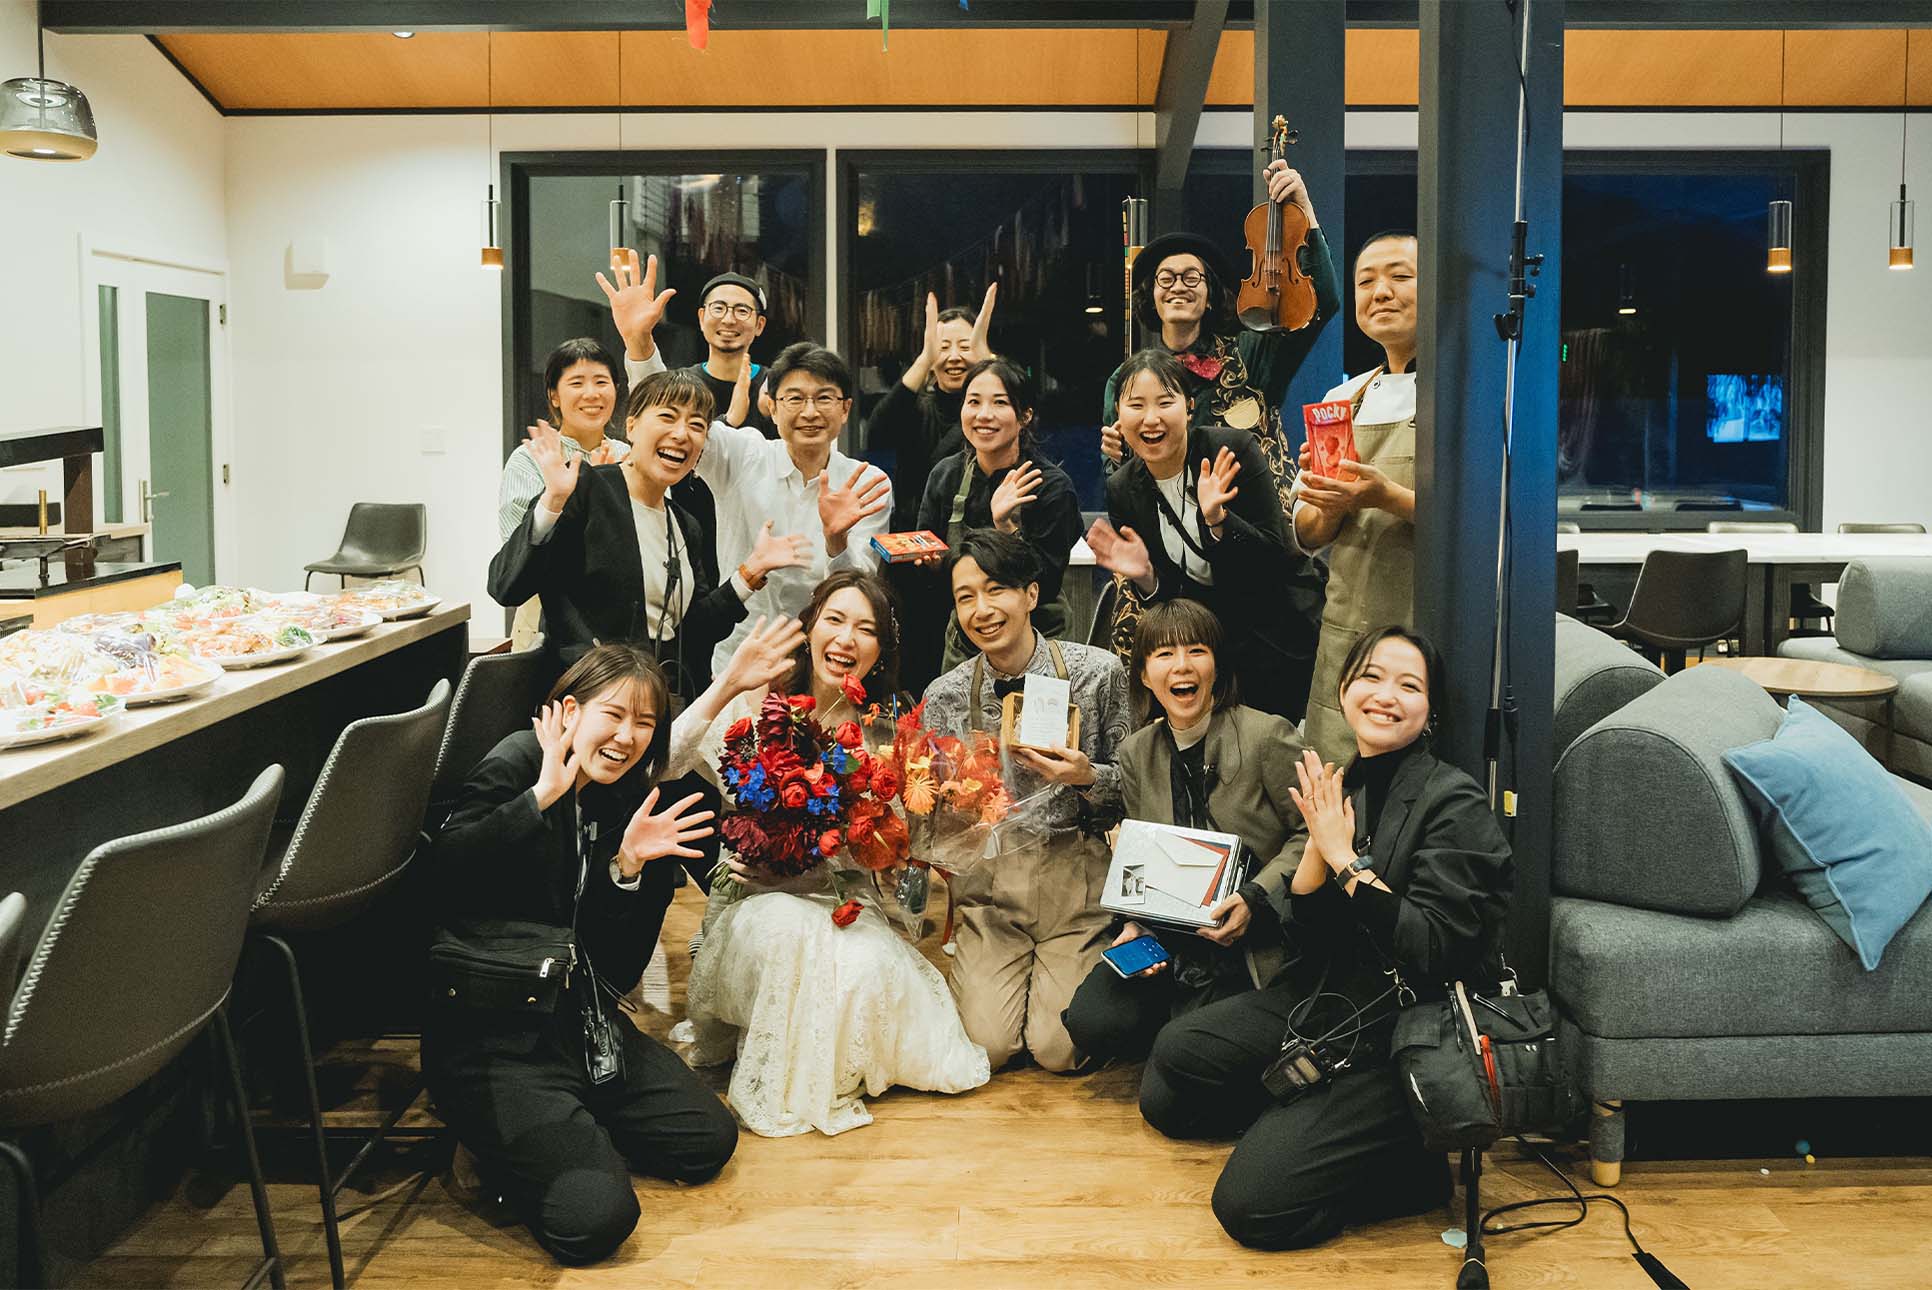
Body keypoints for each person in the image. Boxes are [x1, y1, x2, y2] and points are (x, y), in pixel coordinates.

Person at [423, 630, 804, 1266]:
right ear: (570, 711)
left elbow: (615, 964)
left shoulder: (624, 797)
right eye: (615, 714)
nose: (628, 736)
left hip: (579, 1023)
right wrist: (539, 799)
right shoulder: (519, 763)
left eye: (644, 724)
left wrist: (627, 870)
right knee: (596, 1222)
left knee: (706, 1141)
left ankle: (565, 1127)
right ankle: (491, 1132)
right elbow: (442, 875)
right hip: (495, 1039)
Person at [1135, 625, 1511, 1251]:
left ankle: (1411, 1171)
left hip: (1405, 1029)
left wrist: (1344, 859)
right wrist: (1316, 847)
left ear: (1431, 710)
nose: (1385, 695)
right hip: (1331, 996)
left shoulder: (1455, 802)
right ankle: (1305, 1117)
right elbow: (1313, 934)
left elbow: (1434, 948)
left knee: (1250, 1208)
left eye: (1408, 685)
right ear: (1343, 690)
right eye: (1371, 677)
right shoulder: (1348, 784)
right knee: (1169, 1082)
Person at [663, 570, 992, 1137]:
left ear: (880, 650)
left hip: (843, 902)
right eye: (834, 620)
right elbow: (664, 762)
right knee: (786, 936)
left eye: (865, 629)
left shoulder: (883, 733)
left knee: (867, 972)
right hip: (752, 899)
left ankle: (818, 1070)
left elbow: (905, 846)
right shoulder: (757, 703)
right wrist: (726, 684)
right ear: (810, 627)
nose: (846, 639)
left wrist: (956, 810)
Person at [920, 528, 1131, 1073]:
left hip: (1074, 887)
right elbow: (931, 814)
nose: (982, 610)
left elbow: (1135, 789)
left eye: (996, 590)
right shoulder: (942, 697)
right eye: (966, 597)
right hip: (990, 897)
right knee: (987, 1046)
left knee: (1059, 1048)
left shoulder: (1097, 673)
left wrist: (1088, 777)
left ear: (1031, 594)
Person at [1061, 600, 1309, 1065]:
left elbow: (1310, 835)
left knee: (1186, 1048)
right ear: (1144, 675)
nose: (1182, 666)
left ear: (1216, 666)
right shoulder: (1136, 752)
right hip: (1174, 938)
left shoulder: (1267, 735)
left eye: (1196, 650)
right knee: (1091, 1022)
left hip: (1254, 934)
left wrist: (1255, 897)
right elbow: (1145, 854)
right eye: (1164, 654)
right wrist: (1136, 921)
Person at [488, 367, 808, 690]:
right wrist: (552, 502)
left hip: (658, 702)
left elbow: (693, 632)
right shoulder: (586, 489)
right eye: (668, 417)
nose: (682, 434)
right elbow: (506, 586)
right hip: (589, 701)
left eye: (697, 425)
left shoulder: (684, 524)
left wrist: (751, 571)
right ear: (631, 426)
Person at [626, 341, 893, 682]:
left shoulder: (867, 482)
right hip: (738, 661)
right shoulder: (744, 454)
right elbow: (672, 414)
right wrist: (640, 344)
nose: (810, 412)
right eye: (795, 398)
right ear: (772, 407)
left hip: (825, 667)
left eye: (824, 398)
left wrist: (836, 540)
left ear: (845, 409)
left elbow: (860, 591)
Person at [1087, 349, 1324, 723]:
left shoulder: (1232, 451)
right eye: (1136, 405)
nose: (1151, 418)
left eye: (1165, 402)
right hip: (1209, 654)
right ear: (1118, 415)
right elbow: (1174, 597)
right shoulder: (1123, 488)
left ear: (1189, 407)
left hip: (1277, 638)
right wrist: (1146, 577)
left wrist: (1218, 521)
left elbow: (1274, 557)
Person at [1099, 160, 1341, 517]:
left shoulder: (1251, 353)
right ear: (1152, 296)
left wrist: (1304, 211)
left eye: (1191, 278)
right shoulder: (1126, 379)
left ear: (1210, 295)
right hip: (1175, 537)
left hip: (1259, 532)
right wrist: (1118, 458)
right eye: (1166, 279)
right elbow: (1119, 487)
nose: (1178, 287)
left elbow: (1323, 303)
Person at [1294, 231, 1420, 766]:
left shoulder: (1464, 393)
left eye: (1400, 276)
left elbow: (1479, 519)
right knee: (1333, 772)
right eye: (1366, 281)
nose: (1381, 291)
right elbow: (1305, 533)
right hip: (1347, 627)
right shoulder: (1343, 399)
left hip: (1426, 622)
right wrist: (1330, 505)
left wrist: (1385, 495)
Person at [914, 356, 1081, 675]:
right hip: (966, 639)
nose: (984, 415)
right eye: (974, 402)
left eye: (1000, 403)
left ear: (1025, 415)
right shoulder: (945, 476)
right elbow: (931, 587)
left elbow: (1045, 585)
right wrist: (934, 565)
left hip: (1039, 641)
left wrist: (1006, 529)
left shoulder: (1051, 487)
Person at [497, 336, 655, 650]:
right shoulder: (532, 458)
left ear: (616, 390)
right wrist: (589, 493)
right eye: (577, 383)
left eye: (601, 382)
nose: (591, 393)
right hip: (549, 627)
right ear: (554, 396)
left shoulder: (630, 456)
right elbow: (519, 551)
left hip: (622, 627)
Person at [601, 249, 775, 437]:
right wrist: (638, 337)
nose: (728, 319)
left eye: (742, 311)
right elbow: (650, 407)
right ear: (701, 318)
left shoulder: (776, 386)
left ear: (759, 325)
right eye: (718, 308)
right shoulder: (682, 384)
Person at [866, 285, 998, 529]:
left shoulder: (993, 415)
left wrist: (989, 362)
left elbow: (1022, 415)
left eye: (966, 346)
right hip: (916, 535)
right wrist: (925, 358)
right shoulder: (916, 409)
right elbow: (876, 433)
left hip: (979, 537)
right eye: (943, 347)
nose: (954, 357)